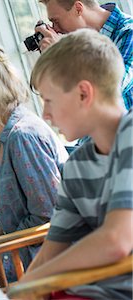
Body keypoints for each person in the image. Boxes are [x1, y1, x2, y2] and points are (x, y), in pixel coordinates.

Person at [18, 29, 132, 299]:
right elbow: (51, 249)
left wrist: (35, 281)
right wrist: (25, 288)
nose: (45, 114)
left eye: (49, 100)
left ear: (83, 93)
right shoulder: (77, 164)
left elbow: (116, 241)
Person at [0, 48, 68, 284]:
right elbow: (13, 213)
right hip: (20, 246)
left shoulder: (23, 136)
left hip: (44, 254)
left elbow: (48, 216)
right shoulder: (5, 136)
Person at [36, 0, 132, 109]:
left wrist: (61, 54)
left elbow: (112, 87)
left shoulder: (129, 32)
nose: (55, 29)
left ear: (78, 8)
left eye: (56, 21)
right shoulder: (80, 43)